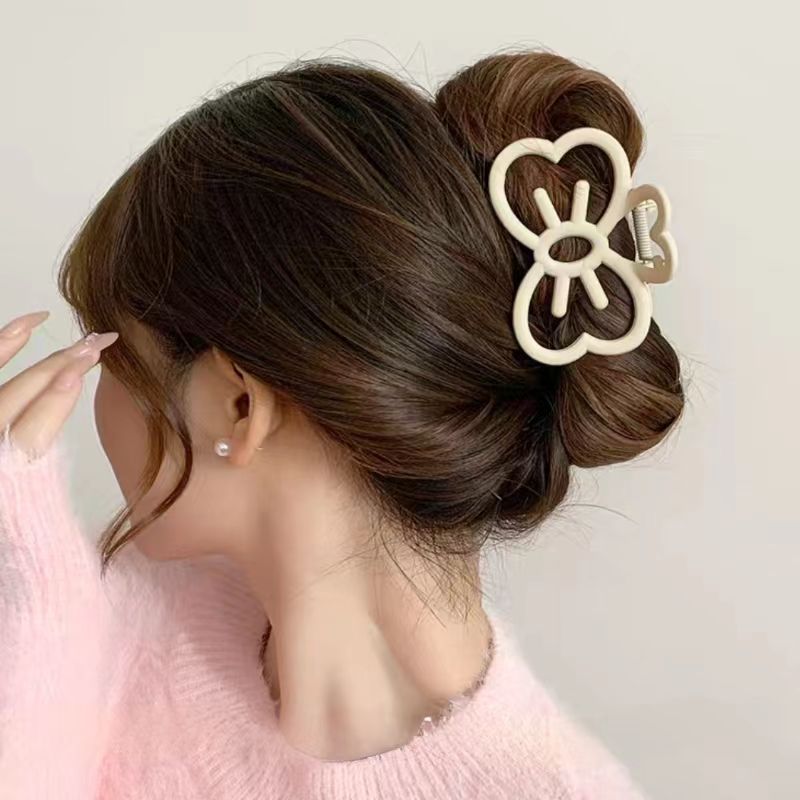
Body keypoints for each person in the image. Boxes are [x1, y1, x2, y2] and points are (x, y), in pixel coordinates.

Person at [0, 48, 683, 799]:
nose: (89, 393)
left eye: (113, 355)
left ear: (237, 406)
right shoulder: (109, 622)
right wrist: (33, 596)